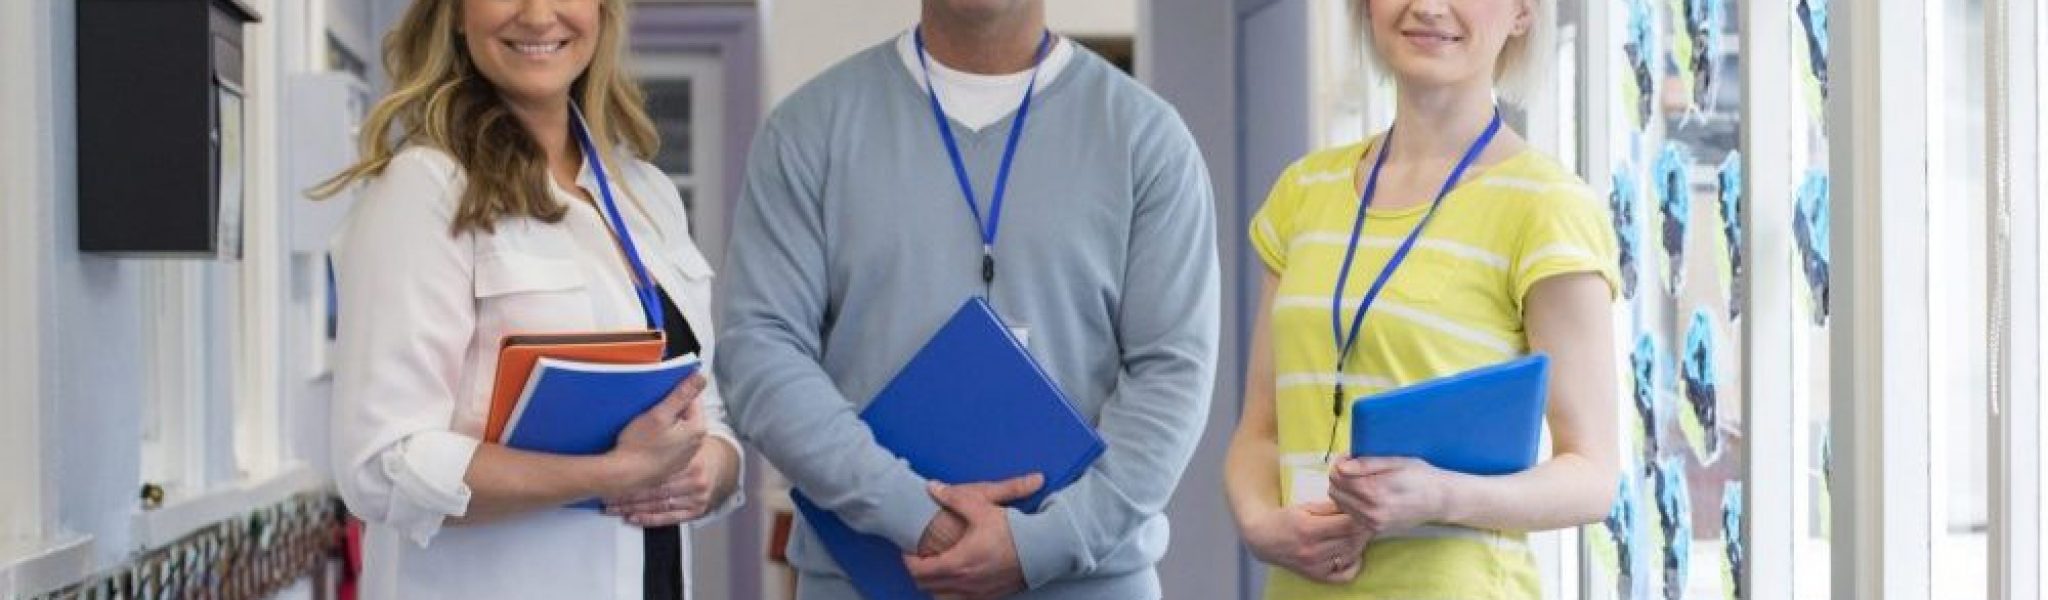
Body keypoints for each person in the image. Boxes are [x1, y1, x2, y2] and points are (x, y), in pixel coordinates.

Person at [714, 0, 1219, 597]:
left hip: (1087, 578)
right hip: (868, 574)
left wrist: (1041, 543)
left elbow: (1172, 376)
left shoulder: (1147, 139)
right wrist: (912, 513)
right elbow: (760, 352)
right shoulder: (808, 129)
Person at [315, 0, 742, 597]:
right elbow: (381, 467)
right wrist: (612, 474)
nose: (539, 16)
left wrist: (712, 471)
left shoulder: (646, 194)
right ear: (457, 14)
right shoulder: (424, 189)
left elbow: (707, 411)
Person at [1223, 0, 1621, 597]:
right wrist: (1258, 524)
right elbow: (1260, 430)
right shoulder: (1304, 190)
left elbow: (1593, 475)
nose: (1428, 7)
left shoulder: (1547, 207)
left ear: (1522, 13)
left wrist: (1442, 494)